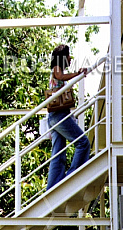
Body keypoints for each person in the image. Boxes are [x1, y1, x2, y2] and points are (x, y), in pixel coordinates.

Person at [46, 44, 91, 191]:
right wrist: (77, 74)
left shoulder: (58, 72)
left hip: (55, 117)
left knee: (58, 153)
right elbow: (59, 76)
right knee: (83, 143)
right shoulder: (57, 69)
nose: (70, 58)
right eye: (68, 55)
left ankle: (52, 188)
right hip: (59, 116)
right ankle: (71, 178)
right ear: (62, 57)